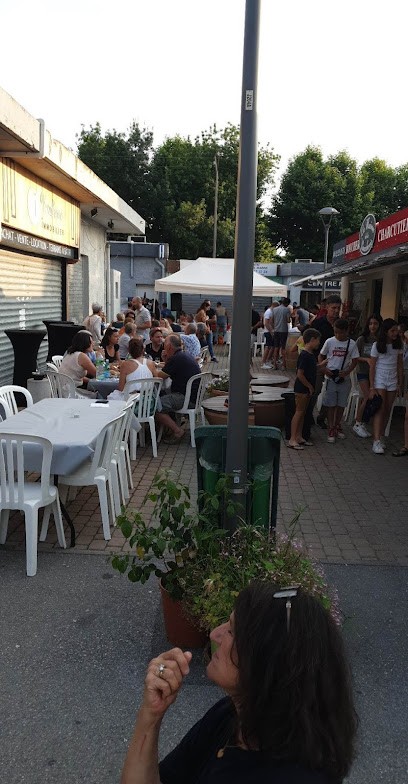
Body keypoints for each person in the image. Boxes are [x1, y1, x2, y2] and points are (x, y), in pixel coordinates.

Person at [121, 581, 357, 784]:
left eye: (232, 632)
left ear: (266, 663)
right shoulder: (231, 715)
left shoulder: (293, 776)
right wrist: (151, 715)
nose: (214, 633)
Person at [319, 319, 359, 443]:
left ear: (347, 331)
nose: (338, 335)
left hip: (344, 379)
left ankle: (337, 425)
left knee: (341, 404)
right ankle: (331, 427)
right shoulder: (329, 341)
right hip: (330, 377)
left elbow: (355, 360)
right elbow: (321, 355)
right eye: (335, 332)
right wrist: (324, 368)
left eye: (341, 332)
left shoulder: (352, 344)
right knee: (331, 404)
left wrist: (347, 371)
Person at [156, 334, 200, 444]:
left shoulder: (176, 358)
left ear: (169, 346)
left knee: (154, 406)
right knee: (162, 394)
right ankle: (170, 427)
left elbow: (160, 376)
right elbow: (168, 370)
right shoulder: (184, 355)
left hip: (185, 398)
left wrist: (149, 367)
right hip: (194, 396)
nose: (163, 347)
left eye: (164, 344)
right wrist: (166, 360)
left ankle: (177, 431)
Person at [369, 318, 403, 454]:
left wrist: (400, 383)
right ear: (386, 331)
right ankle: (376, 440)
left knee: (388, 409)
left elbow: (400, 365)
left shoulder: (399, 345)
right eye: (392, 331)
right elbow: (372, 367)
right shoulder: (377, 345)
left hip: (392, 379)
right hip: (380, 378)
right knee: (380, 408)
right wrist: (372, 387)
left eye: (396, 331)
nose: (395, 333)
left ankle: (381, 435)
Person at [288, 328, 322, 449]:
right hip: (302, 389)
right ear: (312, 340)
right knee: (299, 412)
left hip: (307, 389)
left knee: (303, 413)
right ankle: (292, 438)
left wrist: (321, 365)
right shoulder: (304, 355)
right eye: (318, 340)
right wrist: (309, 386)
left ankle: (299, 436)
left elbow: (312, 369)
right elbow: (300, 374)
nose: (319, 343)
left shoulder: (311, 355)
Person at [313, 295, 342, 428]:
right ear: (327, 307)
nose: (336, 311)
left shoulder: (341, 324)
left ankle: (322, 417)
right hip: (319, 362)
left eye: (338, 308)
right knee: (316, 390)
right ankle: (308, 415)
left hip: (336, 363)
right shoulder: (318, 323)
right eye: (333, 308)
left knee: (331, 393)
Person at [352, 314, 383, 438]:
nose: (373, 326)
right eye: (370, 324)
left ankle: (365, 421)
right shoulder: (362, 339)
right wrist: (366, 360)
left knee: (376, 398)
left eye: (375, 323)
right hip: (363, 371)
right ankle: (358, 423)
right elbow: (354, 356)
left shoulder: (381, 340)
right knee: (367, 397)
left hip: (377, 373)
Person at [108, 337, 155, 401]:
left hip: (130, 400)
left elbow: (121, 388)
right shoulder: (151, 363)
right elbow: (156, 379)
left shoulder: (125, 365)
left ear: (129, 351)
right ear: (143, 349)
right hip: (148, 399)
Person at [270, 297, 292, 370]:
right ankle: (283, 365)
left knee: (276, 347)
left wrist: (274, 327)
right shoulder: (287, 309)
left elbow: (271, 321)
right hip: (284, 330)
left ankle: (274, 365)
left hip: (276, 330)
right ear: (287, 303)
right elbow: (288, 320)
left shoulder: (274, 309)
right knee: (283, 348)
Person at [261, 301, 279, 369]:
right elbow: (266, 323)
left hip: (269, 331)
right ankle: (263, 362)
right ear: (275, 306)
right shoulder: (268, 312)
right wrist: (271, 331)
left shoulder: (271, 311)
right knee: (268, 347)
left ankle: (267, 361)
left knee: (271, 346)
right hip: (268, 332)